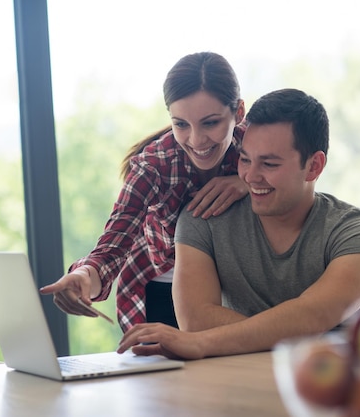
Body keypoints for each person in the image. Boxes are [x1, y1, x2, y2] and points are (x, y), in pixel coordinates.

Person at [116, 88, 360, 360]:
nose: (249, 176)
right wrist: (293, 331)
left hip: (332, 392)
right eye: (245, 160)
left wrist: (203, 342)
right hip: (236, 386)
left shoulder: (358, 233)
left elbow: (313, 315)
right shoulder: (203, 220)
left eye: (269, 164)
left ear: (314, 166)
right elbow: (196, 321)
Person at [40, 52, 247, 332]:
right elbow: (114, 243)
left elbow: (300, 181)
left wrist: (248, 181)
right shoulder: (154, 166)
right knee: (168, 374)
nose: (196, 140)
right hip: (160, 295)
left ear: (239, 113)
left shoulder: (257, 148)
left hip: (238, 293)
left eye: (210, 123)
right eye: (181, 124)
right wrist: (85, 276)